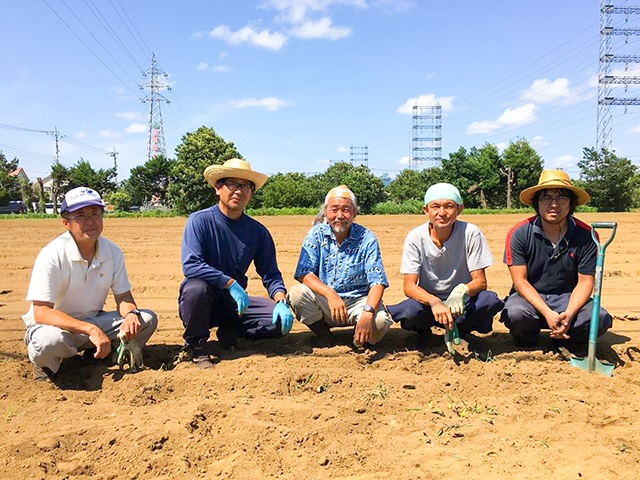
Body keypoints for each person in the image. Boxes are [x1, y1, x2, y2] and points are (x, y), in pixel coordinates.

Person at [22, 187, 158, 381]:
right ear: (66, 223)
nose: (90, 221)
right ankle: (46, 364)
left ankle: (101, 355)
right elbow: (41, 312)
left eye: (95, 213)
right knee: (48, 341)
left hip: (94, 320)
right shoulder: (52, 254)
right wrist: (89, 329)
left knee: (146, 319)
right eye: (81, 216)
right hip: (56, 328)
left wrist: (130, 314)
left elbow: (123, 297)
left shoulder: (112, 251)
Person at [178, 158, 294, 368]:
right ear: (218, 188)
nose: (238, 191)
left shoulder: (257, 231)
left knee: (277, 320)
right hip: (203, 301)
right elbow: (191, 265)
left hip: (235, 304)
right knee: (195, 289)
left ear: (251, 193)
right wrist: (229, 283)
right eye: (232, 184)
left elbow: (270, 274)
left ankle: (231, 331)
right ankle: (196, 347)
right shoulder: (199, 221)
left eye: (245, 186)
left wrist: (280, 300)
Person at [501, 170, 612, 346]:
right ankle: (529, 339)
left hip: (569, 298)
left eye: (561, 198)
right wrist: (547, 312)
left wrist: (569, 314)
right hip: (529, 299)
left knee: (599, 318)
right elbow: (520, 281)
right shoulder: (519, 233)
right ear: (537, 203)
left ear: (571, 203)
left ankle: (567, 336)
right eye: (546, 198)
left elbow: (585, 283)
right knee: (515, 314)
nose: (554, 204)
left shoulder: (587, 236)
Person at [387, 183, 504, 344]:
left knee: (488, 300)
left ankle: (461, 330)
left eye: (449, 206)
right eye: (435, 207)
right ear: (426, 210)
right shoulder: (415, 237)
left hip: (462, 304)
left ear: (459, 209)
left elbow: (480, 281)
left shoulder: (470, 232)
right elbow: (409, 286)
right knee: (409, 311)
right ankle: (424, 331)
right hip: (429, 304)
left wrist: (462, 290)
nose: (442, 213)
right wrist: (433, 301)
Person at [288, 185, 392, 348]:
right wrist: (330, 294)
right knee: (297, 294)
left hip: (358, 301)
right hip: (326, 302)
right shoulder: (316, 234)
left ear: (354, 213)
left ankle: (360, 337)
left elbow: (377, 281)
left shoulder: (367, 238)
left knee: (380, 322)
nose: (340, 215)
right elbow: (304, 273)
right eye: (334, 209)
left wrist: (367, 312)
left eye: (346, 210)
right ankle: (324, 335)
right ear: (325, 212)